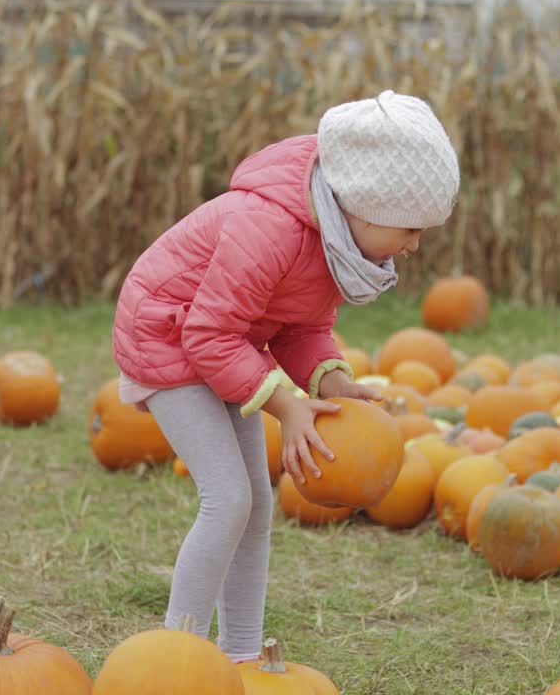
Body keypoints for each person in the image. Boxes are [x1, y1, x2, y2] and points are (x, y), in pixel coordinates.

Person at [111, 90, 460, 662]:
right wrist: (284, 404)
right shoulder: (269, 227)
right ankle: (176, 655)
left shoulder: (335, 240)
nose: (416, 244)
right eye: (411, 228)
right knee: (227, 499)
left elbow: (302, 330)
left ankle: (242, 655)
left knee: (255, 505)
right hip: (168, 336)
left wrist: (329, 381)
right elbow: (206, 334)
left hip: (226, 343)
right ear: (367, 206)